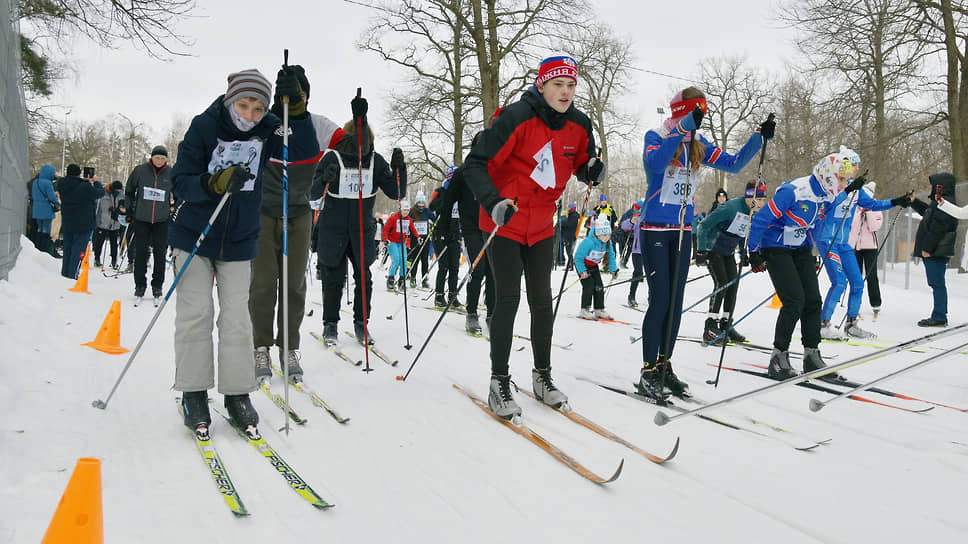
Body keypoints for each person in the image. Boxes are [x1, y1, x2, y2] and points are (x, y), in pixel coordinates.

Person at [464, 53, 603, 419]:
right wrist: (493, 201)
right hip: (503, 220)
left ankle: (542, 376)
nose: (566, 91)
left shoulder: (579, 124)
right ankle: (499, 380)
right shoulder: (517, 118)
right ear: (541, 85)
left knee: (542, 301)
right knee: (508, 299)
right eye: (558, 84)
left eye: (571, 85)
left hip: (541, 224)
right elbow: (474, 164)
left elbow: (581, 163)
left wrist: (591, 170)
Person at [635, 87, 768, 402]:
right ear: (681, 112)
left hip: (682, 230)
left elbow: (734, 164)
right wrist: (680, 130)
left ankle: (664, 365)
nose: (698, 121)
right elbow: (655, 166)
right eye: (694, 114)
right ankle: (647, 369)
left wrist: (759, 138)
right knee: (660, 299)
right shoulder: (656, 135)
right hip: (655, 229)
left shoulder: (698, 145)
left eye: (701, 115)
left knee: (676, 301)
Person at [170, 68, 281, 436]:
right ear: (231, 99)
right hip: (195, 235)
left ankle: (237, 394)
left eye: (258, 109)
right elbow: (180, 180)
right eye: (244, 105)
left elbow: (304, 150)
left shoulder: (268, 131)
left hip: (239, 238)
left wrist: (293, 103)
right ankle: (193, 391)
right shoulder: (204, 126)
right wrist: (211, 183)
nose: (249, 116)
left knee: (237, 318)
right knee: (196, 312)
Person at [250, 64, 344, 382]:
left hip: (299, 213)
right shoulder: (265, 122)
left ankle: (289, 348)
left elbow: (356, 148)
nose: (293, 99)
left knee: (294, 287)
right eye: (287, 94)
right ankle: (260, 347)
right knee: (262, 285)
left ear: (306, 95)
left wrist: (359, 121)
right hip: (262, 213)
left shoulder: (317, 125)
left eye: (299, 93)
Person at [311, 95, 407, 346]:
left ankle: (361, 323)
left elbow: (396, 193)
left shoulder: (376, 161)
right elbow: (311, 194)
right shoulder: (332, 158)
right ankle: (330, 325)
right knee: (333, 278)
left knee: (363, 278)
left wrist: (400, 171)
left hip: (361, 230)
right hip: (334, 229)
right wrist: (323, 179)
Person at [746, 153, 847, 381]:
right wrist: (753, 251)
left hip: (800, 247)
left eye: (846, 180)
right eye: (841, 179)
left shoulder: (829, 196)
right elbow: (761, 219)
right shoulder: (793, 191)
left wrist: (811, 251)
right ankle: (778, 357)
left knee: (813, 300)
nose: (843, 185)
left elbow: (817, 224)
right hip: (776, 246)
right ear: (828, 175)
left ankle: (811, 355)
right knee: (794, 300)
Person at [815, 146, 911, 339]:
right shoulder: (831, 184)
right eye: (854, 164)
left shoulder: (856, 190)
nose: (857, 168)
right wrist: (849, 188)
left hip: (843, 243)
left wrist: (897, 201)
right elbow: (828, 207)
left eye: (857, 165)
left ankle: (851, 323)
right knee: (839, 282)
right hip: (827, 239)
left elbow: (873, 205)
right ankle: (823, 324)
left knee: (858, 282)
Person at [696, 180, 768, 343]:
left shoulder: (753, 212)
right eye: (760, 199)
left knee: (733, 285)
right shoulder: (730, 208)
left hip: (727, 251)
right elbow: (703, 226)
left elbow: (744, 233)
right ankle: (710, 327)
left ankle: (725, 324)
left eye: (764, 199)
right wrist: (701, 249)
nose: (762, 203)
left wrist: (746, 254)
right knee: (722, 283)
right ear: (750, 197)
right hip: (713, 248)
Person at [434, 152, 495, 334]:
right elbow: (448, 199)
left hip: (492, 226)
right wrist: (444, 227)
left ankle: (492, 314)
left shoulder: (496, 168)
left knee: (494, 271)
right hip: (472, 228)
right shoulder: (464, 172)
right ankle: (472, 313)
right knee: (479, 268)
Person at [125, 145, 172, 303]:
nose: (159, 161)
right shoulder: (140, 171)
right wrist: (130, 210)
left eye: (163, 158)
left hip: (161, 220)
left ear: (166, 160)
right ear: (151, 158)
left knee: (160, 254)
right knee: (141, 253)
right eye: (157, 158)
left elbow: (179, 194)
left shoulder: (170, 173)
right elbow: (129, 190)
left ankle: (157, 286)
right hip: (142, 219)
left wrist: (174, 211)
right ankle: (139, 285)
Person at [911, 173, 959, 327]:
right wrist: (914, 202)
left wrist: (927, 249)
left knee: (937, 283)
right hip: (934, 251)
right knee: (936, 282)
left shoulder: (946, 205)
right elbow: (927, 213)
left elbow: (937, 229)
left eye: (933, 185)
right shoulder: (939, 203)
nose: (930, 187)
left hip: (936, 251)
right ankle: (939, 315)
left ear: (941, 186)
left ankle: (939, 317)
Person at [57, 164, 105, 279]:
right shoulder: (84, 187)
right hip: (84, 223)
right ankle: (73, 273)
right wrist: (96, 182)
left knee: (68, 248)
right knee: (78, 249)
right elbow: (100, 193)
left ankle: (65, 273)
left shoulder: (62, 185)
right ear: (79, 174)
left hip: (68, 221)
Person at [848, 182, 884, 319]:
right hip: (855, 246)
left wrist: (868, 212)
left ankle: (876, 302)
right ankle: (854, 304)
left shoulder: (875, 208)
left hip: (870, 247)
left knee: (871, 275)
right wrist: (859, 212)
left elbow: (875, 226)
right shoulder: (854, 208)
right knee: (855, 276)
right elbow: (851, 224)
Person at [429, 170, 464, 308]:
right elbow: (432, 207)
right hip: (440, 234)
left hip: (455, 235)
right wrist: (445, 198)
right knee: (443, 266)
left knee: (454, 267)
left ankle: (452, 296)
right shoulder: (440, 191)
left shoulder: (461, 194)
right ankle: (439, 296)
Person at [574, 213, 618, 320]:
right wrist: (582, 271)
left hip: (593, 266)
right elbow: (577, 257)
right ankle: (584, 310)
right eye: (604, 235)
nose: (607, 237)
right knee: (589, 285)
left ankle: (599, 309)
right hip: (583, 265)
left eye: (608, 235)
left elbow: (611, 256)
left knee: (599, 286)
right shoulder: (588, 242)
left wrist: (613, 270)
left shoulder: (608, 243)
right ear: (598, 234)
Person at [381, 200, 419, 294]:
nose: (406, 212)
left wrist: (418, 237)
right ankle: (390, 279)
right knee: (396, 260)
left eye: (407, 210)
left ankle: (402, 280)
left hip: (401, 242)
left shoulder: (409, 220)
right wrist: (385, 239)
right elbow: (385, 230)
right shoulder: (393, 218)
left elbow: (413, 230)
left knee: (404, 261)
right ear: (400, 210)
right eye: (404, 210)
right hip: (392, 242)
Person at [29, 164, 61, 258]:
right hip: (46, 210)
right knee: (46, 231)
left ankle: (37, 247)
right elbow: (52, 197)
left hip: (36, 209)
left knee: (39, 229)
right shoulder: (47, 183)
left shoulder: (35, 182)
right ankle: (43, 251)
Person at [92, 181, 124, 268]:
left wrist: (119, 211)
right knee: (99, 242)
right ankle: (97, 259)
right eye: (117, 189)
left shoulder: (121, 194)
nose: (118, 191)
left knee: (114, 243)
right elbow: (98, 207)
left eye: (119, 190)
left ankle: (114, 261)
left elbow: (123, 206)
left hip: (115, 223)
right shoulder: (104, 193)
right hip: (103, 222)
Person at [408, 191, 436, 288]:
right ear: (416, 203)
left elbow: (434, 219)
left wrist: (434, 224)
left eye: (422, 203)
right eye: (419, 203)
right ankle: (413, 278)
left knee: (425, 260)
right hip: (415, 239)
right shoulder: (412, 211)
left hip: (426, 239)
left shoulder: (427, 211)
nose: (421, 205)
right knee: (415, 259)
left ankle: (424, 279)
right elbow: (407, 221)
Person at [623, 199, 645, 308]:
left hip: (649, 250)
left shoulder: (648, 216)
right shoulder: (636, 216)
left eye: (636, 207)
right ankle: (631, 296)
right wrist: (632, 221)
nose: (634, 208)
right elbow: (624, 226)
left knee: (651, 273)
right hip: (637, 250)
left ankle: (652, 297)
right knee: (638, 272)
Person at [562, 202, 579, 266]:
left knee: (569, 251)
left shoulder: (574, 216)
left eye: (569, 207)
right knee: (568, 251)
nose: (568, 208)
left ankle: (571, 264)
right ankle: (570, 264)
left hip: (571, 236)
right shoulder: (571, 215)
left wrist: (564, 223)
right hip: (569, 235)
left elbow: (570, 225)